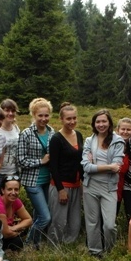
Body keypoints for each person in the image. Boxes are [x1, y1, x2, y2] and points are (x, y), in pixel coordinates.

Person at [82, 109, 125, 256]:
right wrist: (108, 167)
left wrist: (96, 166)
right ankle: (95, 252)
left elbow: (117, 167)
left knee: (109, 225)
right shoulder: (89, 140)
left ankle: (110, 251)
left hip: (109, 187)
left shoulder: (118, 141)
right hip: (90, 186)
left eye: (104, 121)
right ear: (94, 124)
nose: (101, 124)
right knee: (92, 223)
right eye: (98, 121)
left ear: (109, 123)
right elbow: (86, 167)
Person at [18, 97, 54, 247]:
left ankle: (36, 244)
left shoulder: (52, 132)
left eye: (46, 115)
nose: (43, 119)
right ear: (33, 115)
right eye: (40, 115)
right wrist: (41, 161)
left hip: (48, 180)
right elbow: (21, 160)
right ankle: (28, 243)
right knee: (45, 217)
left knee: (39, 214)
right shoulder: (26, 134)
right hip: (33, 182)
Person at [48, 103, 84, 244]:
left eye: (74, 118)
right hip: (62, 185)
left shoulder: (79, 135)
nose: (72, 122)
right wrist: (60, 189)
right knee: (59, 220)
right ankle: (54, 246)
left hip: (76, 185)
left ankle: (69, 246)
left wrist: (82, 182)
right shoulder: (56, 139)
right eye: (68, 119)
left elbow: (80, 161)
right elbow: (53, 166)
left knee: (75, 220)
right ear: (61, 119)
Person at [0, 176, 33, 251]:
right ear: (2, 190)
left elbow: (29, 220)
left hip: (9, 233)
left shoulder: (16, 201)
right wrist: (19, 232)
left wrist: (14, 228)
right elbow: (6, 234)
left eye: (16, 189)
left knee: (19, 239)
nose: (13, 193)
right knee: (17, 241)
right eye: (9, 189)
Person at [0, 98, 21, 194]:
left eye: (13, 111)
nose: (10, 113)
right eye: (7, 110)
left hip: (14, 172)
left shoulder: (16, 128)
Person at [115, 117, 131, 215]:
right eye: (123, 129)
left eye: (128, 129)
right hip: (108, 187)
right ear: (117, 130)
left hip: (121, 187)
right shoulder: (110, 144)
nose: (125, 132)